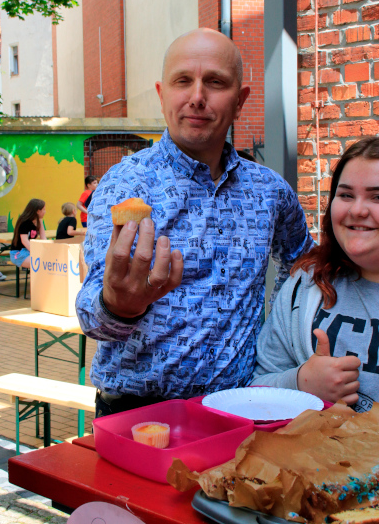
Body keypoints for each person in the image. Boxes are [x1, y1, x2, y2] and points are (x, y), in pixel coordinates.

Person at [76, 27, 314, 417]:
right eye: (183, 80)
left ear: (240, 101)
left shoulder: (270, 191)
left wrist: (277, 337)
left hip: (241, 411)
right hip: (138, 417)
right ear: (162, 94)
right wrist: (119, 306)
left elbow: (303, 264)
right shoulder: (126, 185)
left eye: (215, 82)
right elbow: (91, 320)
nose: (197, 97)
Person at [251, 136, 379, 412]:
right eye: (346, 195)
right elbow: (257, 388)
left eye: (377, 197)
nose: (357, 210)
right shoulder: (306, 284)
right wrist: (300, 383)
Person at [10, 199, 46, 269]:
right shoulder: (24, 222)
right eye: (43, 209)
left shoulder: (39, 220)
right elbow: (24, 241)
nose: (45, 212)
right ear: (38, 211)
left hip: (29, 251)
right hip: (18, 253)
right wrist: (35, 252)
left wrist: (47, 249)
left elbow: (43, 237)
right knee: (41, 263)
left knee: (47, 260)